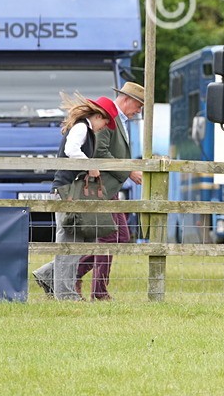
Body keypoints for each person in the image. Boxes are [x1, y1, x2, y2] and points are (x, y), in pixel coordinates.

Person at [31, 94, 119, 301]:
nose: (104, 127)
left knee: (78, 242)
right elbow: (71, 150)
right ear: (98, 116)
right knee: (69, 243)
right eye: (105, 122)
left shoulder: (85, 129)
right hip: (67, 191)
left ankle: (48, 276)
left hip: (70, 191)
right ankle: (65, 295)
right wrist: (90, 166)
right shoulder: (81, 128)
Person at [75, 82, 145, 300]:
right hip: (100, 186)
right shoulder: (108, 118)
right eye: (139, 105)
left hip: (108, 188)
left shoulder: (118, 119)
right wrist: (128, 171)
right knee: (110, 237)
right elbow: (100, 151)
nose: (139, 111)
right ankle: (97, 290)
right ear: (127, 100)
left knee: (120, 236)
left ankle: (68, 274)